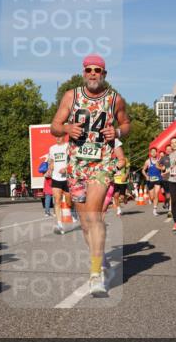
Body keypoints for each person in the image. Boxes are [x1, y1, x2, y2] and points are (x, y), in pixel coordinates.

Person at [50, 54, 130, 297]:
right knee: (85, 223)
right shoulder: (71, 96)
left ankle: (96, 275)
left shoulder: (115, 98)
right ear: (84, 73)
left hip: (102, 163)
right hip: (76, 165)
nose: (93, 73)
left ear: (104, 74)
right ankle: (101, 257)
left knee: (95, 216)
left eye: (98, 70)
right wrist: (65, 128)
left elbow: (126, 125)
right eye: (89, 70)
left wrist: (116, 131)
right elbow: (54, 125)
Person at [46, 132, 71, 234]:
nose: (58, 138)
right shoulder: (52, 148)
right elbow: (52, 161)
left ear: (64, 136)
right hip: (56, 178)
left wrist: (66, 168)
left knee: (70, 201)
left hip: (67, 178)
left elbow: (73, 160)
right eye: (56, 136)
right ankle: (60, 224)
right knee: (57, 200)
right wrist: (49, 170)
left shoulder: (68, 146)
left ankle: (73, 211)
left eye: (59, 136)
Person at [141, 148, 164, 216]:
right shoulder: (148, 161)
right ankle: (150, 199)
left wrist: (162, 172)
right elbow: (143, 170)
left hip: (158, 179)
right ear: (150, 153)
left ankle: (155, 209)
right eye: (152, 152)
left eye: (155, 152)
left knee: (156, 194)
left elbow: (162, 168)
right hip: (150, 180)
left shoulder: (159, 161)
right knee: (152, 197)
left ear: (156, 153)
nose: (153, 153)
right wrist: (146, 176)